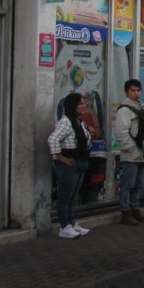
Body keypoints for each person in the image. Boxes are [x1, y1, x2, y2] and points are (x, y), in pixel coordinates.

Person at [48, 92, 93, 239]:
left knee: (72, 196)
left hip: (80, 162)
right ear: (72, 106)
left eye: (83, 103)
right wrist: (60, 157)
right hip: (69, 163)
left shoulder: (79, 122)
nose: (83, 106)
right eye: (80, 104)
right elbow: (52, 139)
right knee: (65, 196)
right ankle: (64, 226)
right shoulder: (66, 122)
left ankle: (71, 223)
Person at [112, 79, 144, 226]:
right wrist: (132, 148)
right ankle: (125, 213)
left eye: (138, 90)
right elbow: (121, 133)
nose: (136, 93)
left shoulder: (140, 108)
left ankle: (135, 210)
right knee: (128, 185)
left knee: (138, 185)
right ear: (126, 92)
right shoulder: (124, 110)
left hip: (141, 154)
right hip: (130, 155)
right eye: (133, 90)